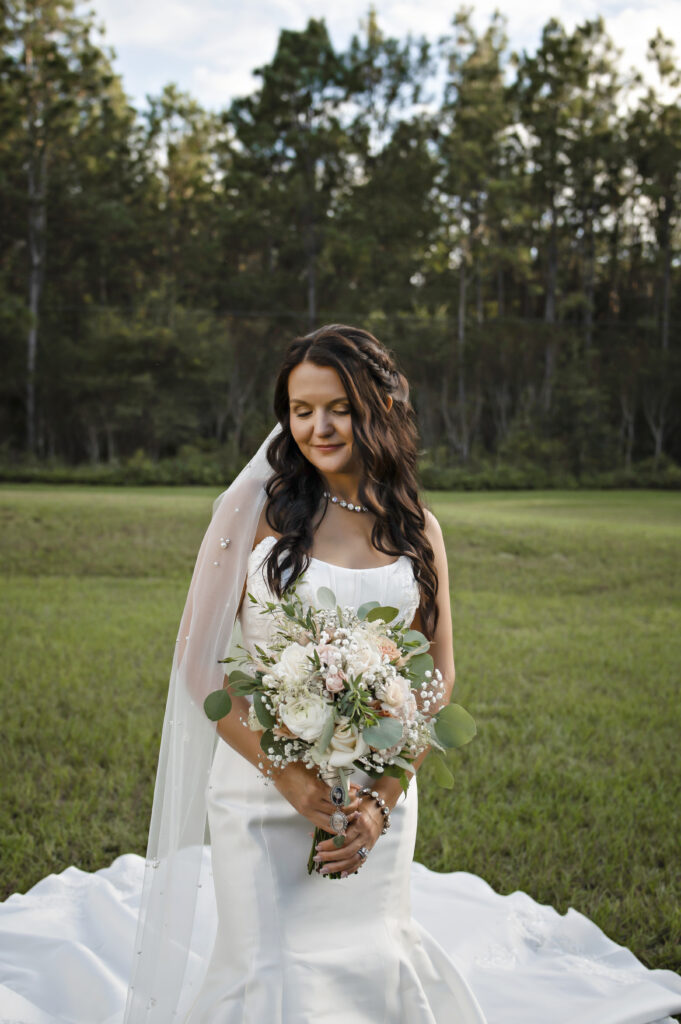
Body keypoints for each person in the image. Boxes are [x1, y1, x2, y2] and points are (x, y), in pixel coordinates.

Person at [2, 325, 681, 1024]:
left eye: (339, 408)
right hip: (260, 790)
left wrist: (382, 800)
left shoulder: (417, 528)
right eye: (301, 410)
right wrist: (287, 775)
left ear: (378, 408)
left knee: (371, 959)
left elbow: (437, 679)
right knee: (270, 967)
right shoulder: (256, 514)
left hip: (375, 796)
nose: (317, 428)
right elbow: (198, 666)